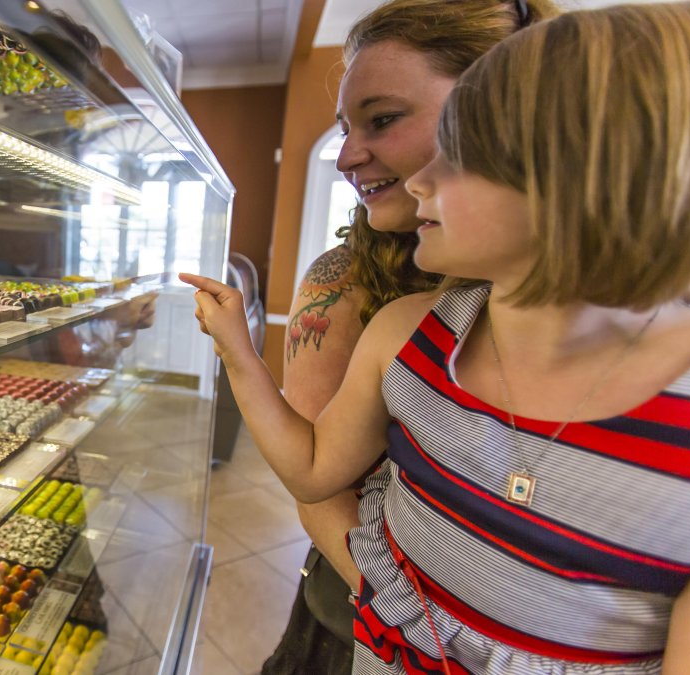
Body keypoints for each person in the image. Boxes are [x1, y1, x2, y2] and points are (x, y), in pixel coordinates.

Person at [184, 3, 690, 673]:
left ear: (574, 170)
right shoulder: (409, 331)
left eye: (461, 148)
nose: (351, 156)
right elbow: (315, 470)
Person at [269, 1, 559, 672]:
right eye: (345, 127)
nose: (345, 155)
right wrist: (425, 634)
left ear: (505, 108)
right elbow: (316, 478)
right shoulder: (350, 283)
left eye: (384, 119)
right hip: (367, 626)